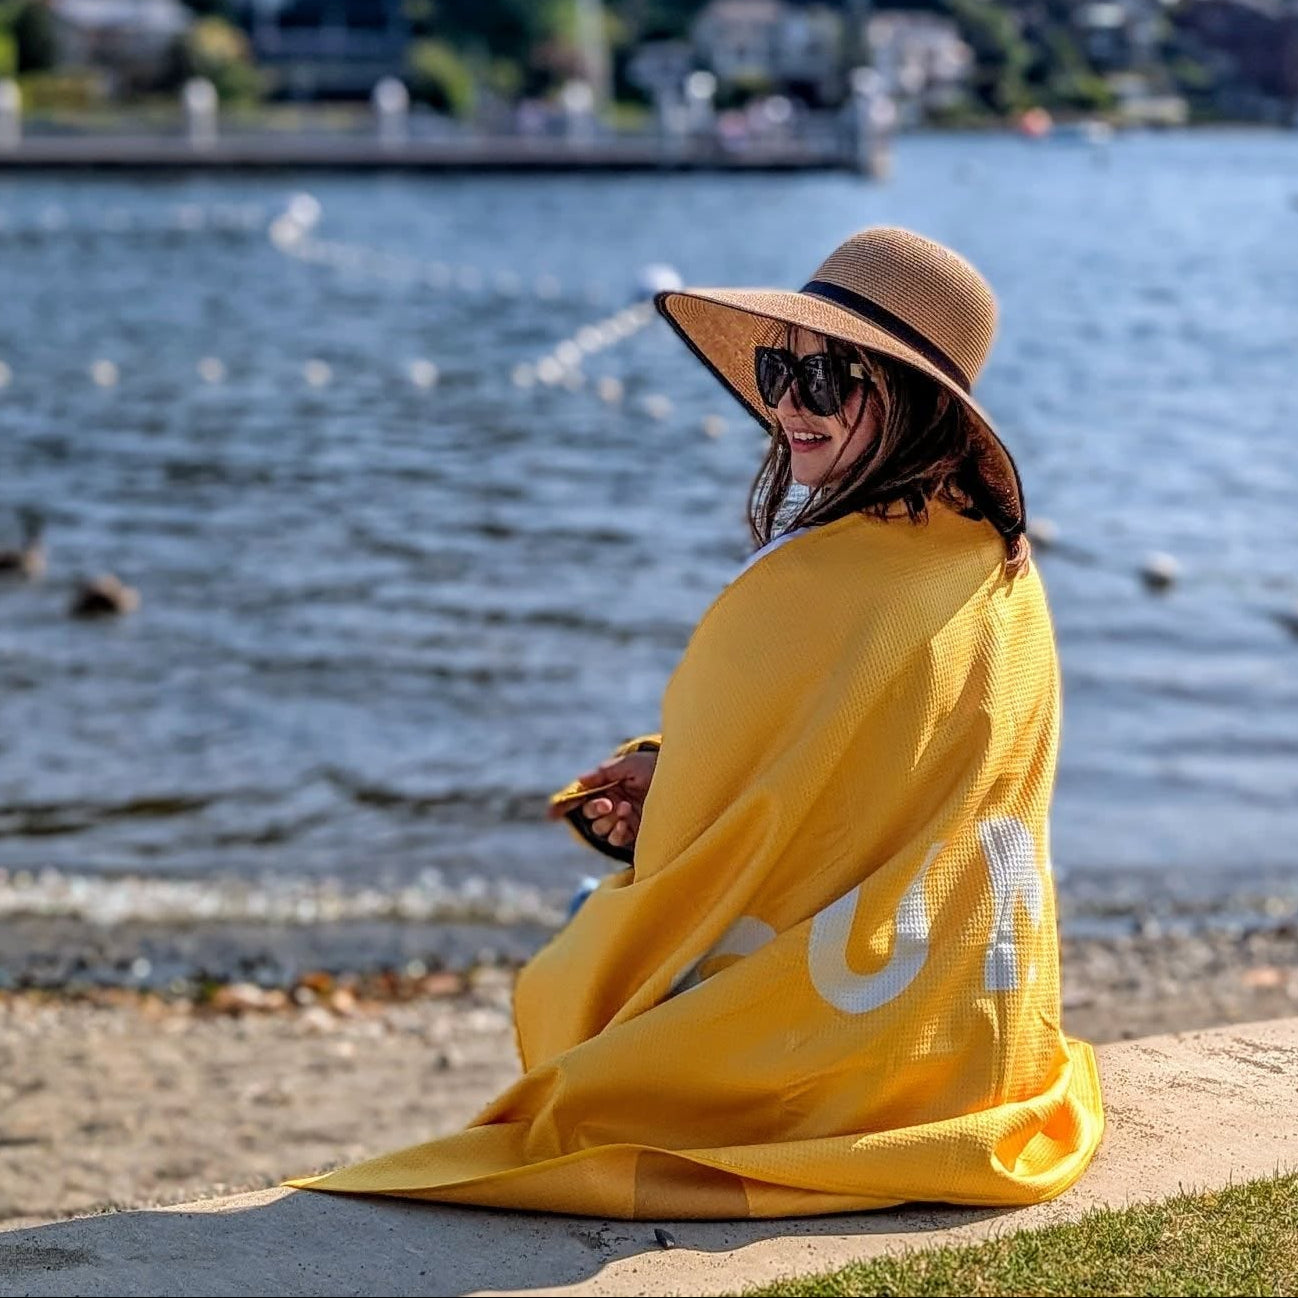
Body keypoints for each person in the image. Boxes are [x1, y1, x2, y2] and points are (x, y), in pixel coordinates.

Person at [289, 226, 1104, 1219]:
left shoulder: (805, 588)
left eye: (830, 379)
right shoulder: (992, 569)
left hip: (832, 1060)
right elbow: (871, 767)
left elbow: (707, 846)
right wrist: (674, 766)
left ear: (917, 399)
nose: (787, 407)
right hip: (973, 1042)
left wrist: (661, 799)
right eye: (778, 370)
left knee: (584, 958)